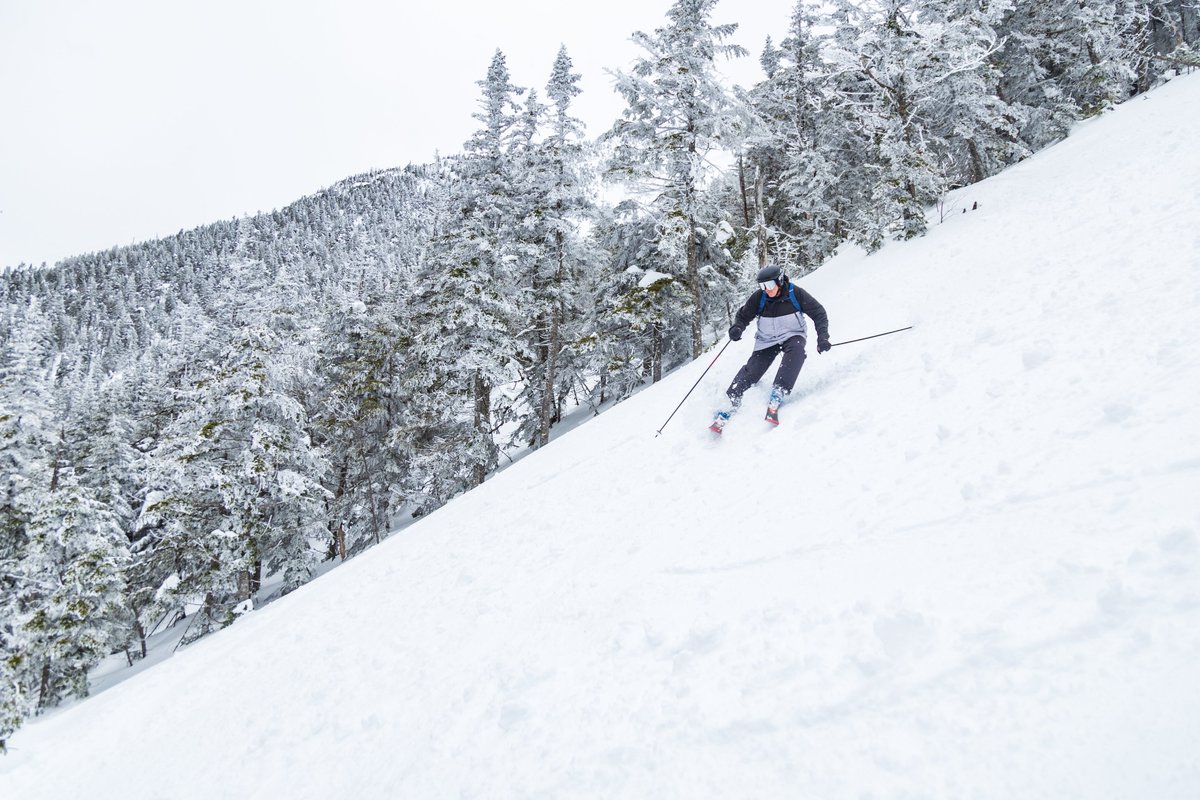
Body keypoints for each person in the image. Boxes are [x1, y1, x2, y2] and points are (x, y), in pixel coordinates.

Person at [713, 264, 830, 430]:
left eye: (769, 285)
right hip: (767, 339)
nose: (766, 289)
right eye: (762, 286)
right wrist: (738, 327)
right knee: (753, 369)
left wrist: (823, 337)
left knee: (796, 351)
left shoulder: (795, 293)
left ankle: (778, 392)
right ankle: (732, 399)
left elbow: (819, 313)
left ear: (780, 281)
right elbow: (744, 315)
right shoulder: (759, 297)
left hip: (792, 334)